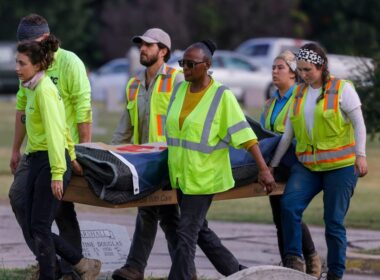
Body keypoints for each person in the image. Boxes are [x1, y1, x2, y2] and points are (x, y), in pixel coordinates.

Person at [165, 40, 276, 280]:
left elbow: (246, 136)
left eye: (190, 64)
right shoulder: (180, 90)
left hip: (204, 176)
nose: (184, 68)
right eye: (182, 63)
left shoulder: (221, 96)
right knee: (198, 230)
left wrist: (263, 169)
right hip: (181, 174)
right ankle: (236, 273)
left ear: (206, 65)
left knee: (186, 234)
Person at [269, 43, 368, 280]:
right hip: (309, 167)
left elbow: (359, 124)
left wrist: (361, 155)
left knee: (333, 222)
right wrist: (272, 165)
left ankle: (335, 274)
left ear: (321, 66)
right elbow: (288, 134)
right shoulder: (300, 93)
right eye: (300, 70)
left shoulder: (341, 89)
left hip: (341, 167)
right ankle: (294, 262)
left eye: (307, 70)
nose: (303, 75)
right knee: (289, 206)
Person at [9, 14, 92, 280]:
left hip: (61, 152)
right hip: (35, 151)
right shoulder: (31, 72)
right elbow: (23, 109)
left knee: (61, 211)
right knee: (20, 200)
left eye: (29, 44)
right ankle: (49, 260)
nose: (24, 52)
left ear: (45, 39)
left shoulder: (69, 64)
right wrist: (14, 149)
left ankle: (72, 269)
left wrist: (83, 153)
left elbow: (83, 108)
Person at [111, 28, 183, 280]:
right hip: (144, 162)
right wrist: (111, 156)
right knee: (163, 215)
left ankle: (136, 267)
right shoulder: (134, 84)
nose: (142, 48)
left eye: (148, 45)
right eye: (141, 44)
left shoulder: (177, 80)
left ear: (163, 51)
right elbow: (125, 127)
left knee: (156, 213)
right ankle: (181, 271)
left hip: (168, 160)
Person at [260, 50, 321, 277]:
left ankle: (308, 261)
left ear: (294, 74)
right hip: (275, 164)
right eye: (273, 68)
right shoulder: (270, 102)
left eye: (280, 68)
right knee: (279, 215)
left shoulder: (302, 98)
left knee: (288, 212)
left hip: (296, 162)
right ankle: (290, 263)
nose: (275, 72)